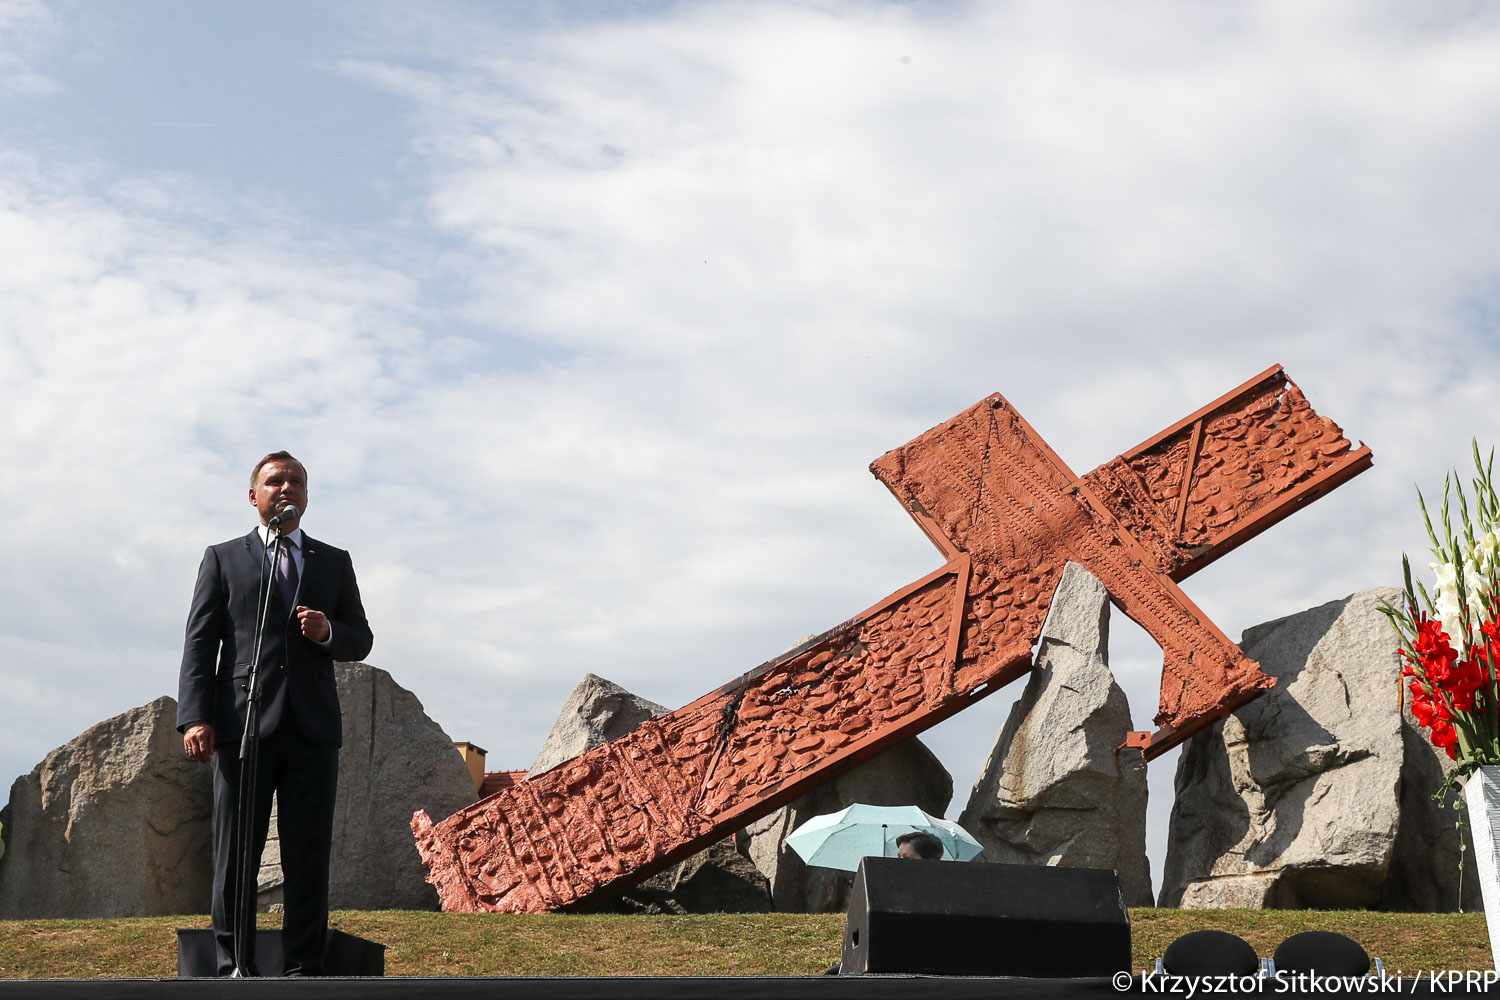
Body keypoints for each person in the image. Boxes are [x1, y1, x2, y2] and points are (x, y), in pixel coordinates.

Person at [177, 451, 373, 977]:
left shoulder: (333, 560)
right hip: (243, 725)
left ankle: (304, 968)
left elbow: (361, 637)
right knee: (235, 854)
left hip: (312, 728)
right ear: (253, 496)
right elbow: (201, 644)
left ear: (306, 496)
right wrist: (196, 717)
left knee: (307, 856)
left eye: (296, 482)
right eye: (274, 481)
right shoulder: (224, 558)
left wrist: (327, 632)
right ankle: (233, 965)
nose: (286, 489)